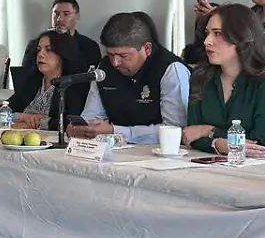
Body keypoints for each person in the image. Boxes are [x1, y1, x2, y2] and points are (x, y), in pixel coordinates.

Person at [183, 4, 265, 157]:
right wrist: (218, 144)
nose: (207, 41)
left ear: (242, 37)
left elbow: (262, 145)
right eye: (207, 33)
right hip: (212, 164)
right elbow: (190, 135)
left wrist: (209, 131)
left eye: (218, 33)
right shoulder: (200, 77)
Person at [70, 13, 190, 144]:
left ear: (147, 49)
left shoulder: (171, 69)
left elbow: (174, 130)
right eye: (110, 54)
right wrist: (83, 128)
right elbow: (92, 115)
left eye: (123, 56)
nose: (115, 63)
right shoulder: (104, 67)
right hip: (115, 148)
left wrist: (116, 131)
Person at [1, 30, 88, 130]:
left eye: (48, 50)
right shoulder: (32, 81)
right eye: (39, 50)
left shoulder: (73, 84)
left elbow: (71, 122)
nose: (40, 54)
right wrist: (20, 117)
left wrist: (37, 124)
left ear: (62, 54)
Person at [21, 0, 102, 73]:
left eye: (66, 14)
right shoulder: (35, 45)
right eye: (56, 14)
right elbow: (26, 75)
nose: (59, 19)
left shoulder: (89, 46)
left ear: (77, 17)